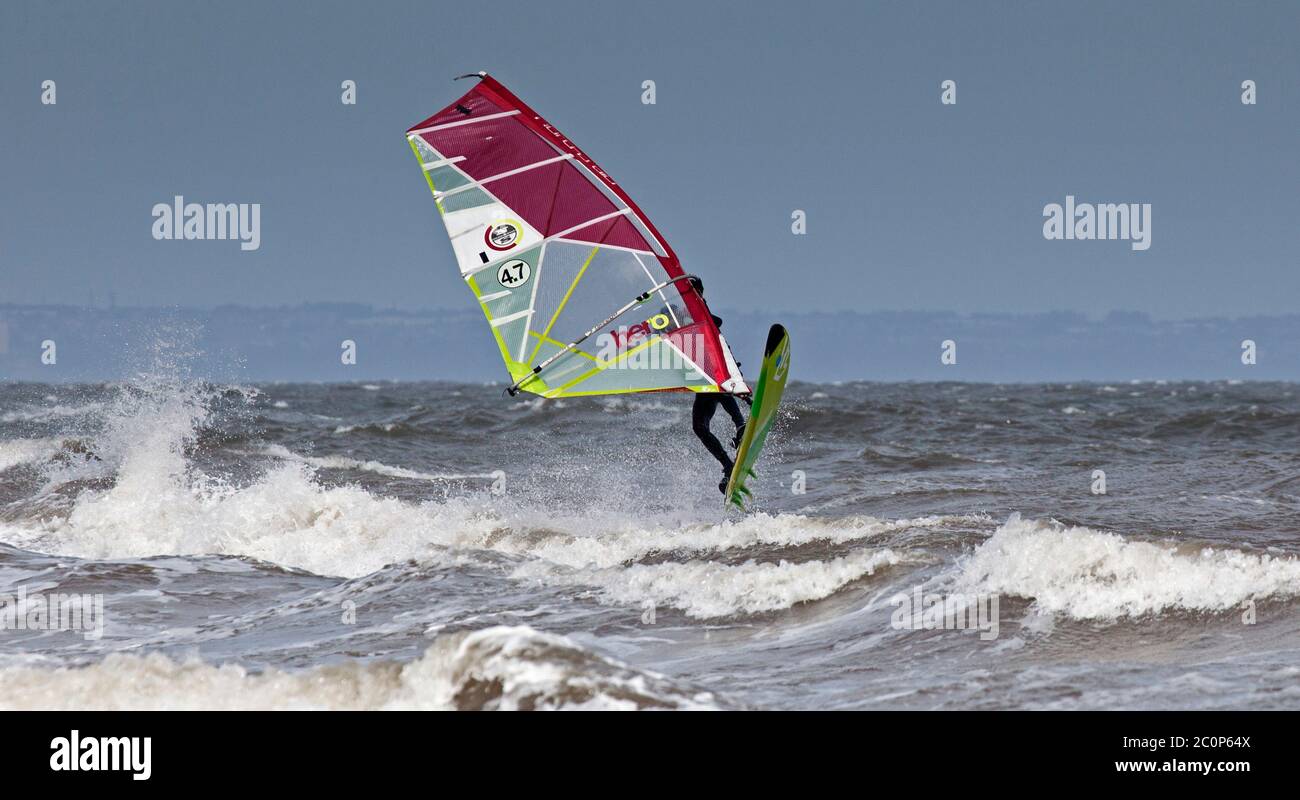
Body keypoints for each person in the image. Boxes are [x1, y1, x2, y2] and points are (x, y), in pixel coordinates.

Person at [686, 277, 750, 493]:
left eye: (695, 291)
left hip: (715, 369)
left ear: (701, 293)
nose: (693, 295)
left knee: (718, 384)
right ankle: (728, 466)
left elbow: (716, 321)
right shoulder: (679, 311)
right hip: (700, 376)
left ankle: (740, 424)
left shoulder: (700, 308)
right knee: (699, 427)